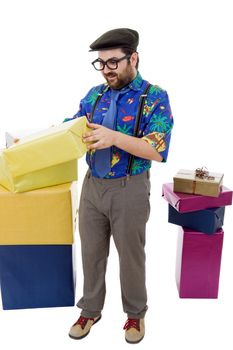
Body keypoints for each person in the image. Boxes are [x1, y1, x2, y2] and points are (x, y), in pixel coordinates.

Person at [66, 28, 174, 344]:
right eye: (101, 63)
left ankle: (135, 316)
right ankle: (90, 309)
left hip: (130, 187)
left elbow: (157, 148)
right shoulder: (94, 95)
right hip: (92, 188)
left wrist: (114, 138)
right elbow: (71, 130)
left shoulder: (155, 96)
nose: (107, 69)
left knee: (131, 256)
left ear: (134, 58)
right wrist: (34, 142)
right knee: (91, 253)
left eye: (113, 61)